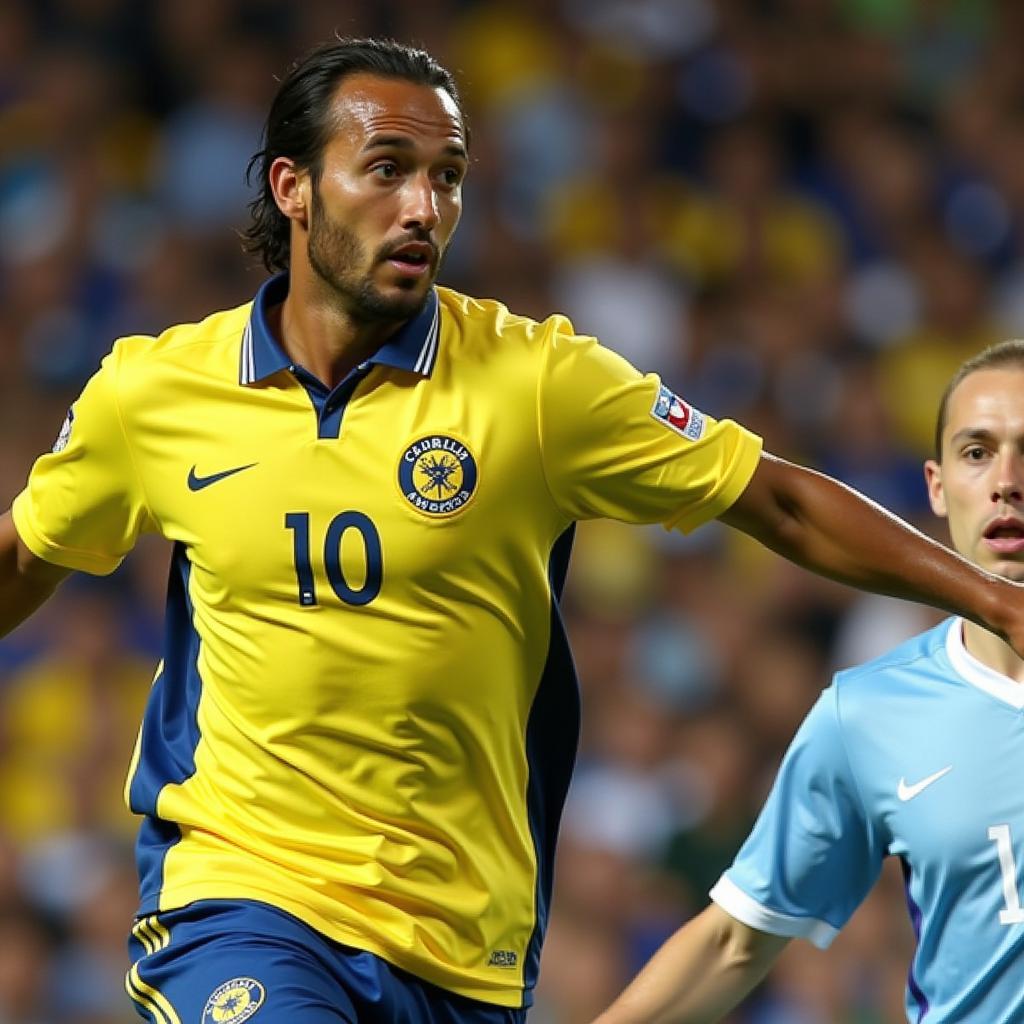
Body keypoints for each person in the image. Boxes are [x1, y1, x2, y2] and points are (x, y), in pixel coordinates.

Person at [1, 36, 1023, 1024]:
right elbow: (23, 559)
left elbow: (778, 499)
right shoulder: (154, 392)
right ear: (291, 188)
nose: (423, 207)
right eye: (387, 170)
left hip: (461, 941)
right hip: (240, 900)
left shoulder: (536, 385)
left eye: (446, 177)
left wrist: (990, 598)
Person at [591, 338, 1024, 1023]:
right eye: (977, 452)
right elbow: (733, 943)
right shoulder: (870, 714)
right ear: (937, 488)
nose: (1007, 480)